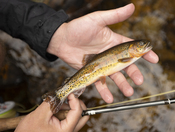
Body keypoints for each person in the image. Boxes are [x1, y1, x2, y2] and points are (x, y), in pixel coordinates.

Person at [0, 0, 159, 131]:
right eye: (142, 45)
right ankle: (58, 94)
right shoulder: (128, 57)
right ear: (132, 49)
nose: (145, 46)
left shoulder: (129, 56)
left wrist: (58, 34)